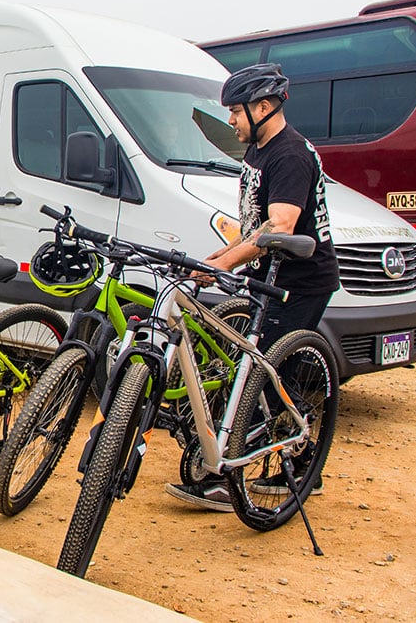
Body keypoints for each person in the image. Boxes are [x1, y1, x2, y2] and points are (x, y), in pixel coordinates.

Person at [164, 63, 340, 512]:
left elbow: (278, 228)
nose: (230, 121)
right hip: (268, 278)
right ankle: (279, 456)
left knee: (260, 371)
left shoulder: (289, 155)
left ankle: (279, 467)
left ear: (264, 107)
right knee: (253, 370)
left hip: (300, 283)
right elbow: (251, 226)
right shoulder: (258, 151)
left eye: (236, 112)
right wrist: (217, 259)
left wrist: (224, 262)